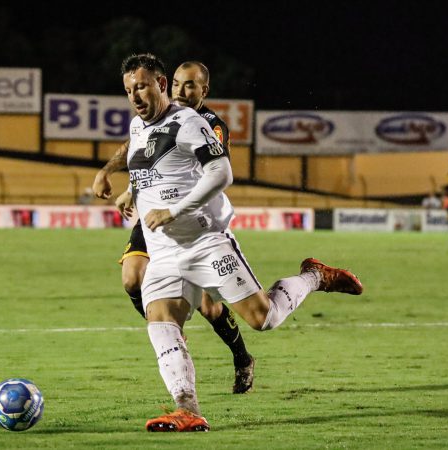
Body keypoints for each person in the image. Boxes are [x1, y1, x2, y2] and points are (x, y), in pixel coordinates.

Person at [117, 54, 363, 432]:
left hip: (205, 241)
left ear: (161, 85)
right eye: (130, 89)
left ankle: (314, 276)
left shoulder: (189, 123)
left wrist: (175, 209)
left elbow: (221, 172)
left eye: (143, 86)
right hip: (164, 251)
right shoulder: (137, 127)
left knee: (262, 318)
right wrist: (130, 192)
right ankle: (188, 409)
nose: (136, 95)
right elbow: (148, 165)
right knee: (161, 320)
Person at [94, 60, 256, 396]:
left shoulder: (207, 125)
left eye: (191, 86)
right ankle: (173, 333)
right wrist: (124, 184)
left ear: (204, 91)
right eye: (179, 84)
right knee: (131, 277)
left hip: (190, 223)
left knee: (211, 307)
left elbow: (207, 169)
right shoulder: (152, 119)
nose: (183, 91)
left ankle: (242, 357)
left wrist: (175, 205)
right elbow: (143, 153)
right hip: (154, 218)